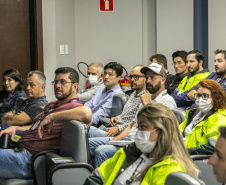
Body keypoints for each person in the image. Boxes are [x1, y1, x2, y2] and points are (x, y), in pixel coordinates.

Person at [0, 67, 92, 179]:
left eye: (63, 82)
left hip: (31, 160)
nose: (57, 85)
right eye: (56, 82)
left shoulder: (74, 106)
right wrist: (14, 128)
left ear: (75, 86)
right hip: (20, 148)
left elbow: (86, 113)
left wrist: (52, 116)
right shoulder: (52, 104)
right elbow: (35, 126)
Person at [84, 103, 198, 185]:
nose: (139, 131)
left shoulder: (172, 168)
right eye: (138, 127)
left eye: (143, 127)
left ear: (162, 131)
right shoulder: (128, 152)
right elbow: (98, 177)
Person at [89, 63, 176, 168]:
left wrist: (147, 105)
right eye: (147, 77)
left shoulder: (167, 101)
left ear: (162, 80)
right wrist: (112, 142)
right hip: (127, 139)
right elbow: (131, 126)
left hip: (141, 144)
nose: (148, 81)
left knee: (101, 151)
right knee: (90, 143)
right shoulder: (146, 97)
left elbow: (160, 132)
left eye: (152, 78)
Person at [89, 65, 146, 138]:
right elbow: (128, 115)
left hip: (122, 132)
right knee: (87, 131)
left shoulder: (145, 97)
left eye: (136, 77)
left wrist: (118, 128)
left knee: (87, 131)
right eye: (131, 77)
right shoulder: (133, 94)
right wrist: (118, 117)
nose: (132, 80)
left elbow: (135, 122)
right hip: (116, 127)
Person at [179, 79, 226, 155]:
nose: (200, 99)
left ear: (216, 97)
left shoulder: (220, 118)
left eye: (205, 96)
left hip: (196, 159)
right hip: (182, 153)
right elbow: (176, 132)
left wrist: (188, 151)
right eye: (199, 95)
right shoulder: (193, 113)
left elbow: (214, 146)